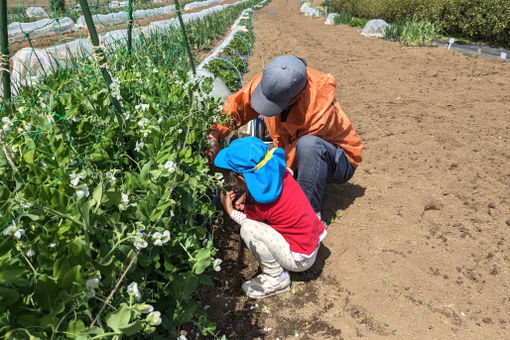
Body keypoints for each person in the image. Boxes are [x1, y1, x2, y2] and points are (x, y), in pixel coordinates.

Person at [208, 55, 363, 220]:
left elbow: (290, 159)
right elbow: (238, 105)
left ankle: (308, 219)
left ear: (295, 98)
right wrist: (215, 132)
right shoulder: (273, 81)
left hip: (338, 160)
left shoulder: (318, 109)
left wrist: (257, 192)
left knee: (308, 146)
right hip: (292, 153)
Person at [215, 136, 326, 299]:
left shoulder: (262, 202)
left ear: (241, 179)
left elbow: (250, 223)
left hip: (301, 259)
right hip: (312, 239)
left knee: (248, 230)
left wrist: (230, 210)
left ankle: (276, 278)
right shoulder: (282, 175)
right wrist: (246, 199)